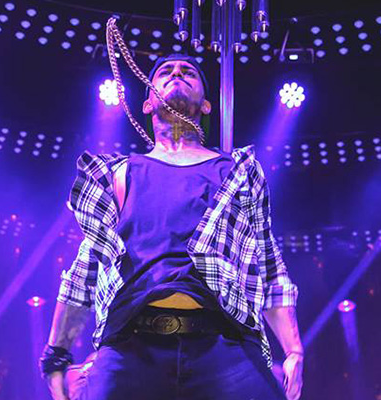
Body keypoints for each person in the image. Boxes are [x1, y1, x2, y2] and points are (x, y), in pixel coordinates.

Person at [40, 54, 304, 400]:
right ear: (148, 103)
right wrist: (57, 353)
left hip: (223, 343)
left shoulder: (238, 173)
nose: (177, 73)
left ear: (206, 105)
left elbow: (266, 261)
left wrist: (293, 349)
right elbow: (87, 266)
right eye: (165, 71)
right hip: (131, 345)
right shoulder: (119, 174)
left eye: (189, 72)